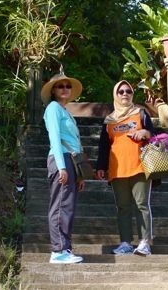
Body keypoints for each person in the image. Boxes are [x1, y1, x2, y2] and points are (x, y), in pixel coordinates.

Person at [96, 80, 154, 256]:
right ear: (116, 94)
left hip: (140, 166)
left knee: (142, 204)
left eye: (128, 91)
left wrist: (145, 133)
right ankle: (126, 243)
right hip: (117, 169)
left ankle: (145, 242)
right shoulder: (109, 120)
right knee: (123, 207)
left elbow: (155, 135)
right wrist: (101, 167)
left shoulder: (141, 114)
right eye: (121, 92)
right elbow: (104, 146)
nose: (124, 94)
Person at [41, 71, 84, 264]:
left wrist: (80, 173)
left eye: (67, 86)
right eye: (60, 86)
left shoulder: (65, 111)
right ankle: (58, 251)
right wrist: (61, 167)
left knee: (68, 206)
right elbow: (55, 139)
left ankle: (65, 248)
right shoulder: (52, 108)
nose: (65, 89)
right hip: (61, 160)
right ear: (53, 91)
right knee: (60, 205)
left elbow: (74, 142)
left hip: (71, 161)